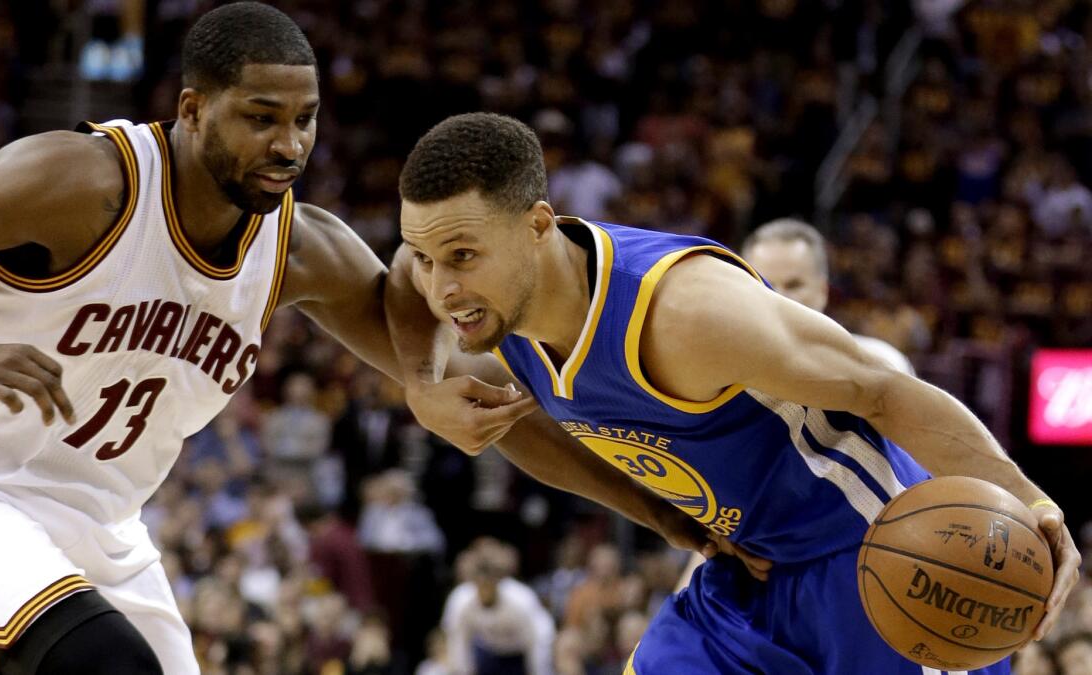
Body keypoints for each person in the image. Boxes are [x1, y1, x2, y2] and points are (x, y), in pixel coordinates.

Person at [0, 6, 708, 673]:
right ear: (191, 110)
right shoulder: (83, 184)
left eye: (305, 120)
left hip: (98, 521)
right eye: (261, 118)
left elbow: (490, 407)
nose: (289, 145)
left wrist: (659, 512)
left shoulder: (299, 248)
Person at [386, 112, 1082, 675]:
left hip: (881, 564)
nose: (442, 287)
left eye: (462, 258)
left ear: (537, 225)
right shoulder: (474, 292)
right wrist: (421, 384)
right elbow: (396, 278)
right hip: (743, 570)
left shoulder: (689, 314)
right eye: (428, 258)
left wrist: (1032, 500)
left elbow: (886, 392)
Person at [741, 218, 916, 376]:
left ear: (823, 290)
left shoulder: (882, 365)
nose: (779, 296)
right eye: (766, 285)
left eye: (794, 285)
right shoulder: (723, 377)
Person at [441, 539, 555, 675]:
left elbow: (540, 639)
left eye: (489, 584)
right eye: (481, 584)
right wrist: (462, 671)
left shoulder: (520, 599)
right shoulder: (461, 600)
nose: (485, 589)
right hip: (486, 652)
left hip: (519, 654)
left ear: (498, 582)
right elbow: (458, 639)